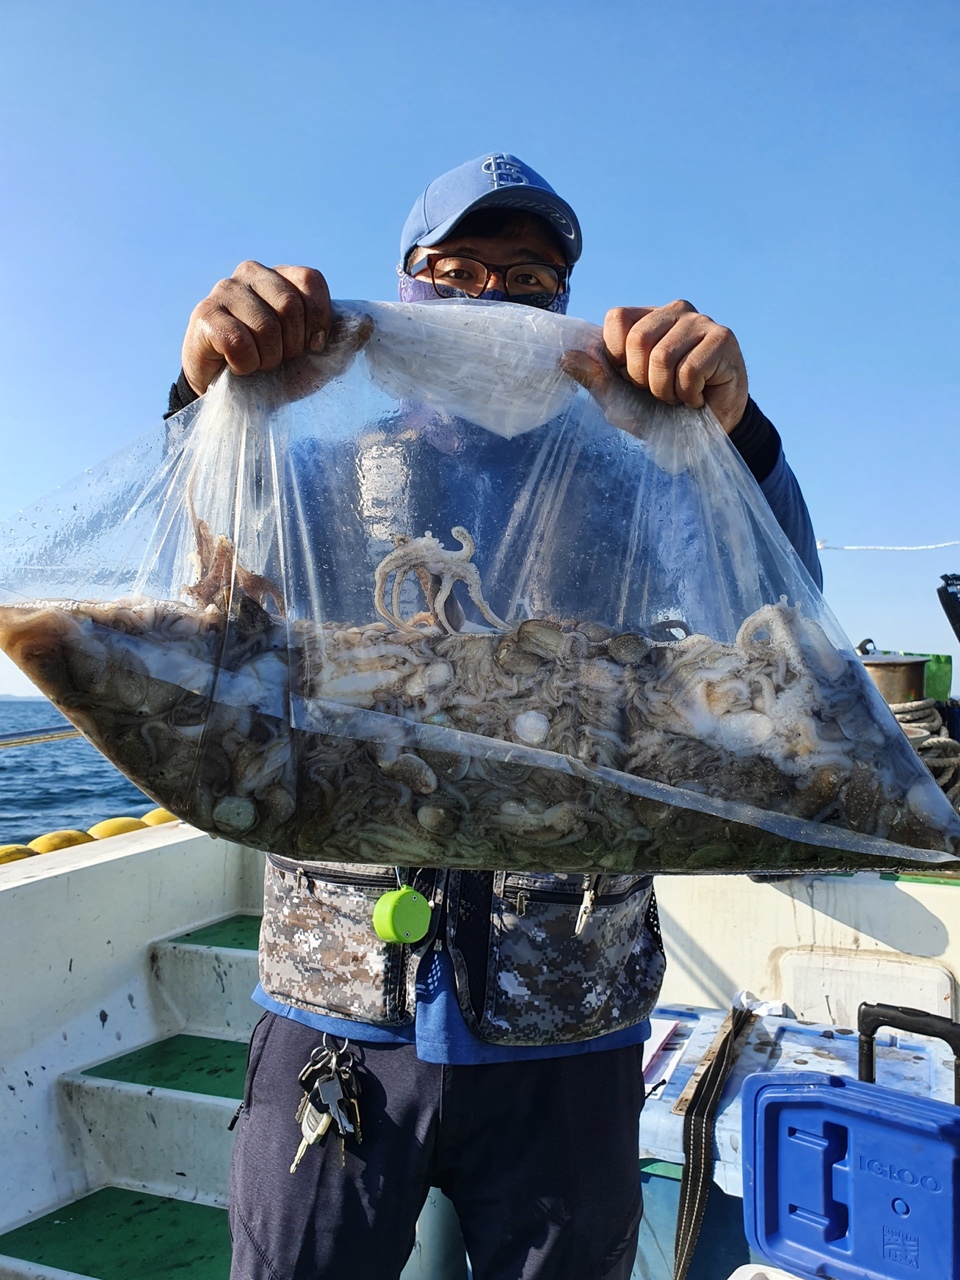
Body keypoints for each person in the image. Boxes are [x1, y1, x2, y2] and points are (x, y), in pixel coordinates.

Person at [168, 153, 822, 1280]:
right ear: (404, 291)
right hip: (335, 1015)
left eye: (526, 281)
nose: (489, 303)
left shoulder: (634, 483)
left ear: (564, 306)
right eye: (455, 273)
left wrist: (735, 439)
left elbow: (776, 627)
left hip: (571, 1025)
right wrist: (206, 398)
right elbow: (198, 601)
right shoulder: (317, 474)